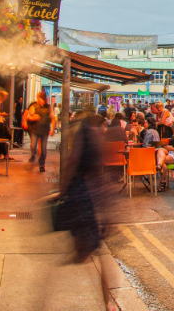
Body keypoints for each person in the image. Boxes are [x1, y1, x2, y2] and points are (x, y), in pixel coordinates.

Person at [57, 110, 119, 311]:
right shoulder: (95, 137)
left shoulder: (82, 133)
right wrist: (107, 210)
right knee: (96, 252)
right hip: (91, 196)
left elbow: (72, 161)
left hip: (80, 194)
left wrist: (62, 190)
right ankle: (108, 304)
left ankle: (107, 303)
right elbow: (102, 173)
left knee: (87, 251)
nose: (104, 131)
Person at [25, 91, 55, 172]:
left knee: (44, 148)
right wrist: (33, 118)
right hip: (35, 130)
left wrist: (52, 129)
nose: (44, 101)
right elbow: (28, 117)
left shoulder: (48, 107)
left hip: (45, 131)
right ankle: (34, 155)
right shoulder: (34, 106)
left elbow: (52, 118)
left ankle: (42, 164)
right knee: (33, 146)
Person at [0, 90, 11, 160]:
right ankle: (4, 154)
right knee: (1, 138)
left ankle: (2, 154)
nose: (4, 98)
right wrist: (2, 114)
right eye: (3, 97)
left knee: (3, 137)